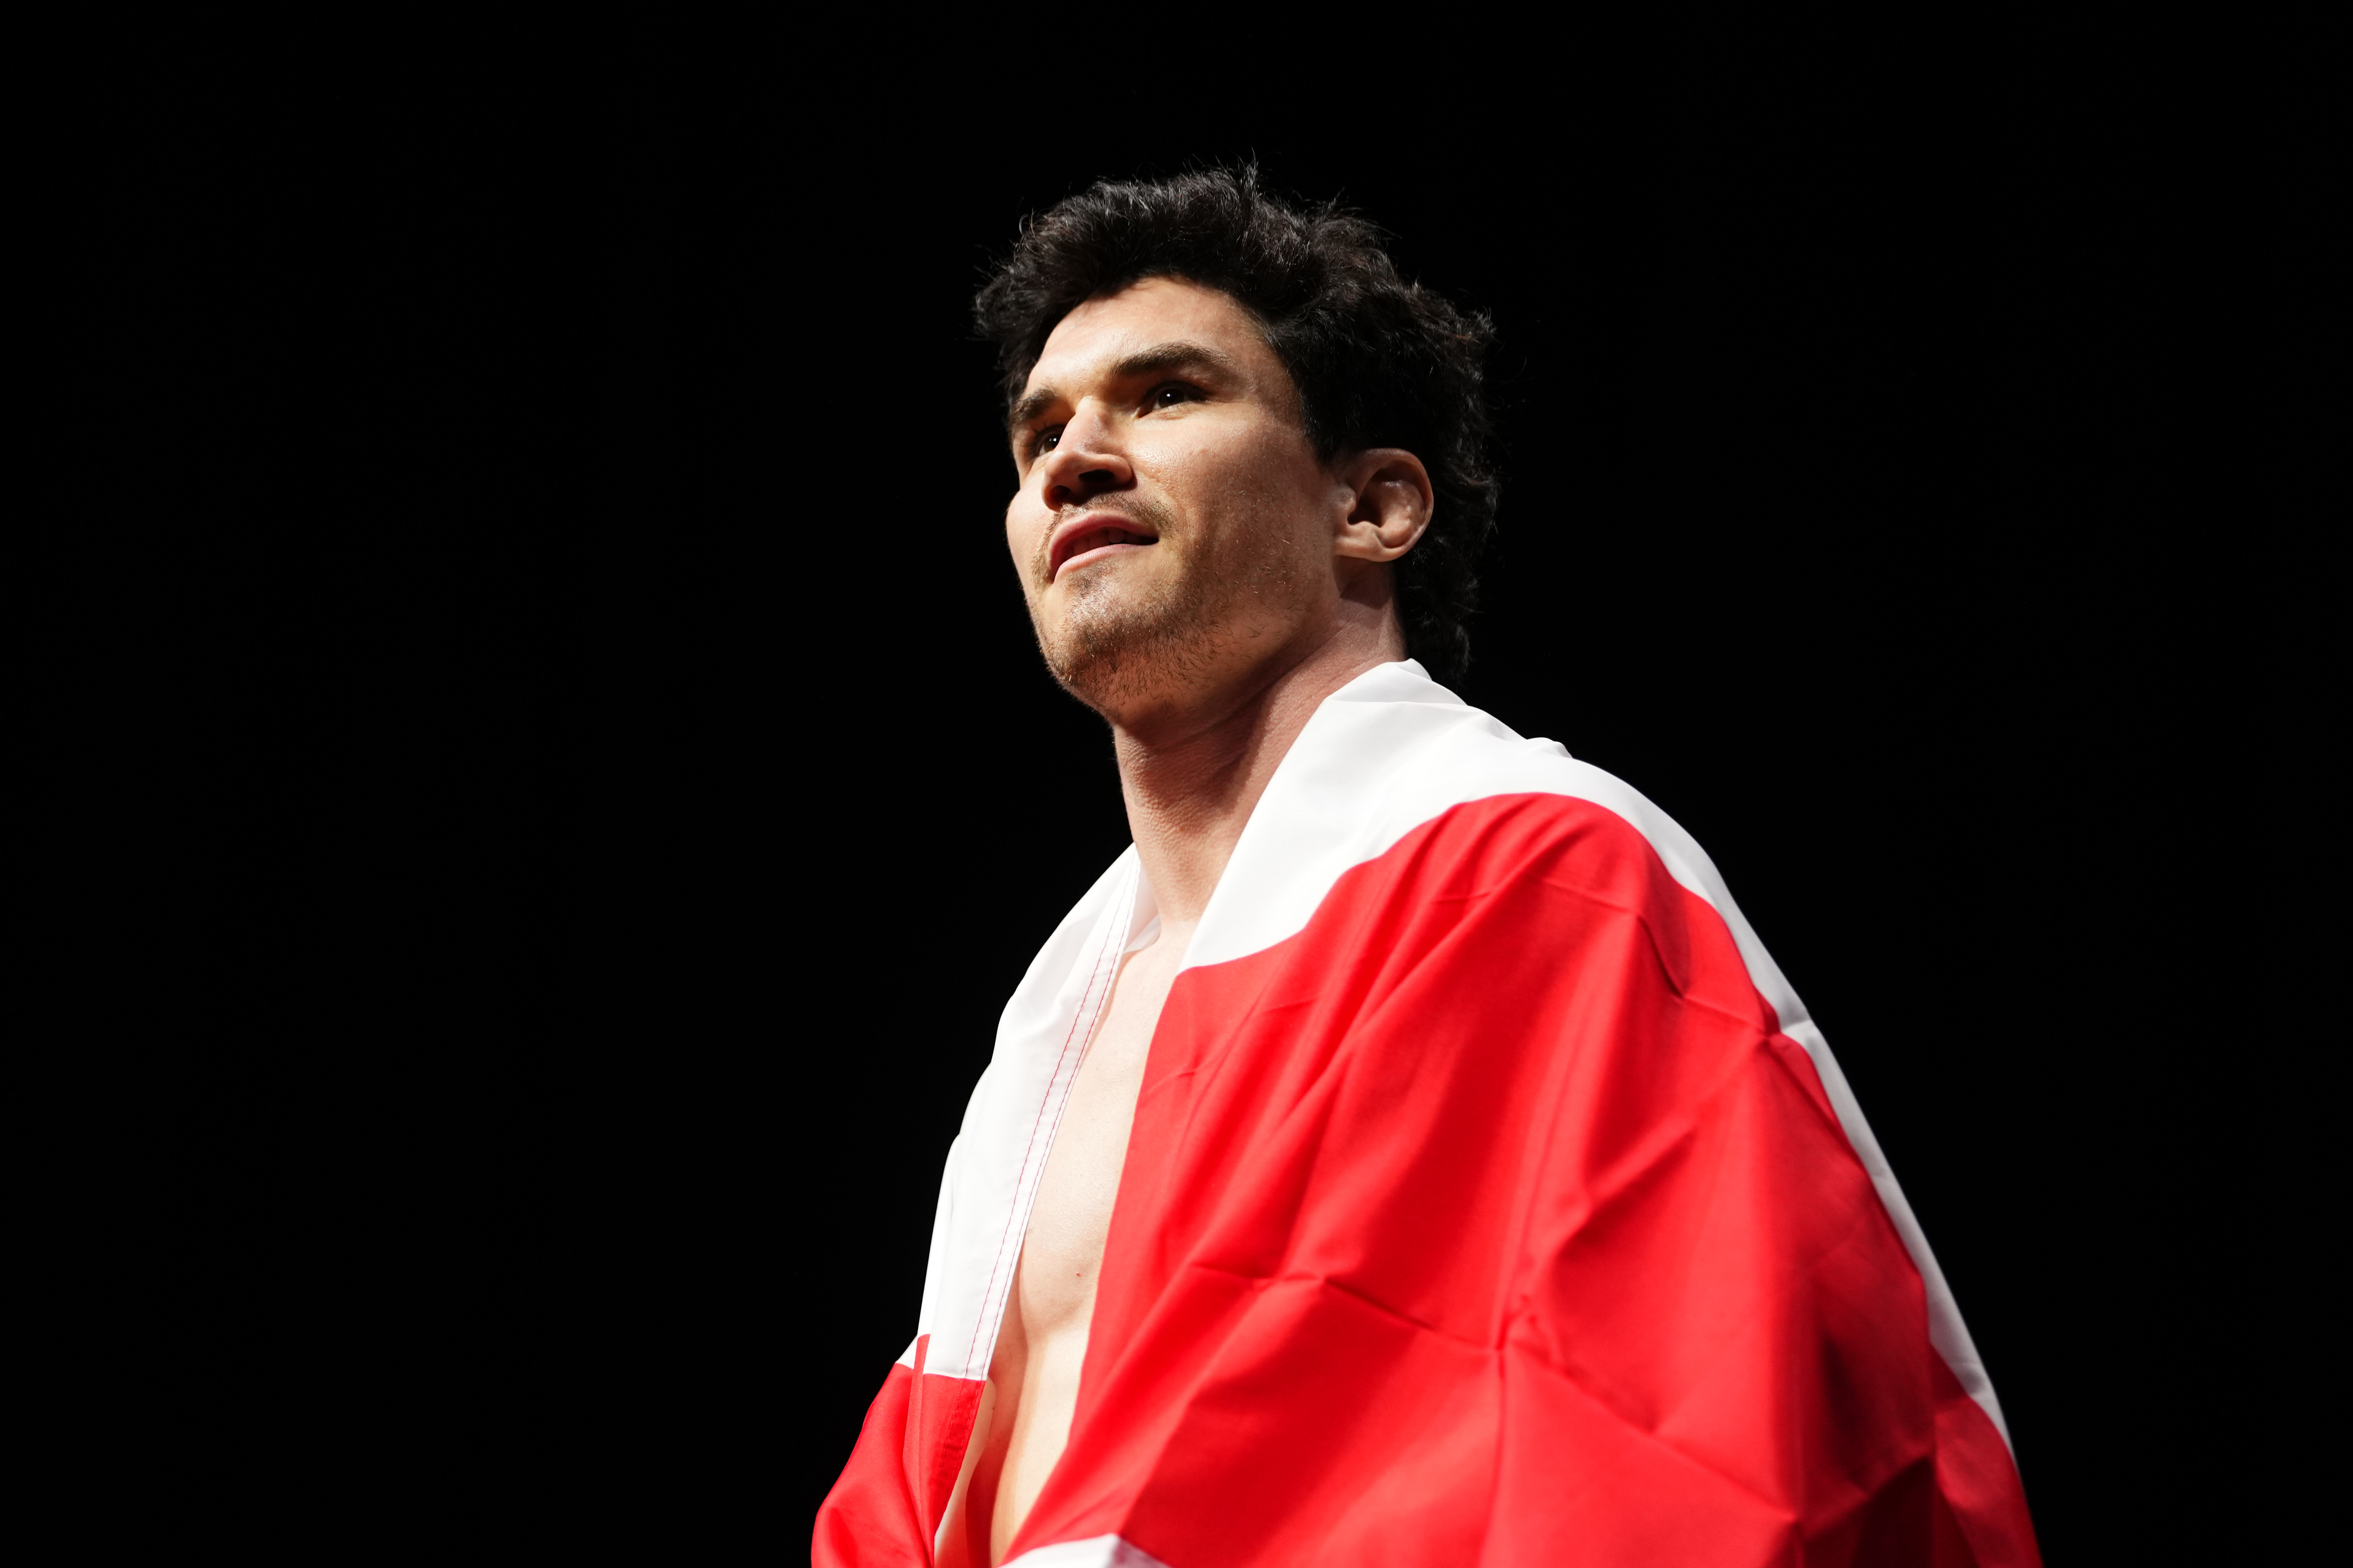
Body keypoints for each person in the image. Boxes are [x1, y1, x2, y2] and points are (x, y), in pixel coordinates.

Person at [814, 168, 2040, 1568]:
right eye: (1039, 429)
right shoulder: (1046, 1044)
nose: (1070, 458)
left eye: (1165, 396)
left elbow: (1674, 1469)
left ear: (1377, 507)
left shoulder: (1549, 880)